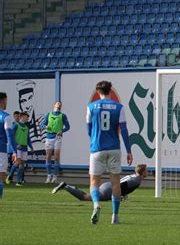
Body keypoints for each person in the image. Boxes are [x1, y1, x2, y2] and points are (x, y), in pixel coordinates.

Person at [87, 81, 133, 225]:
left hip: (97, 148)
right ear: (110, 91)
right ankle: (115, 216)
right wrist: (129, 151)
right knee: (115, 183)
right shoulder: (119, 107)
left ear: (98, 91)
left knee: (94, 182)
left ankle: (96, 205)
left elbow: (89, 129)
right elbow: (124, 131)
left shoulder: (91, 107)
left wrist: (95, 138)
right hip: (114, 148)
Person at [52, 164, 147, 201]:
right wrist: (120, 197)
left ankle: (71, 187)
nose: (148, 172)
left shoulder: (133, 176)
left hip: (107, 185)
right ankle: (66, 187)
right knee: (85, 198)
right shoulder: (136, 181)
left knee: (89, 195)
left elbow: (124, 186)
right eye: (146, 170)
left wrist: (124, 196)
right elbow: (122, 186)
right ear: (142, 172)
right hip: (109, 190)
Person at [42, 101, 70, 184]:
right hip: (49, 137)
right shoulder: (48, 114)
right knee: (48, 157)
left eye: (60, 104)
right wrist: (45, 126)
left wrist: (62, 130)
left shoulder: (63, 116)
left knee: (57, 157)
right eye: (58, 103)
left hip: (57, 137)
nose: (59, 105)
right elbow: (43, 124)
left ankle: (55, 175)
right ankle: (48, 175)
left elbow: (68, 127)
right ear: (54, 105)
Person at [9, 112, 34, 187]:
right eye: (26, 117)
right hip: (18, 148)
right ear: (22, 117)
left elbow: (28, 138)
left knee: (22, 165)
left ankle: (18, 181)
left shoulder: (26, 127)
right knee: (18, 162)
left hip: (24, 147)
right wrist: (16, 145)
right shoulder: (15, 125)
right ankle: (10, 175)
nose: (27, 119)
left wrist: (31, 146)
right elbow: (11, 136)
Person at [0, 93, 17, 198]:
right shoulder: (6, 117)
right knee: (1, 177)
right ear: (3, 101)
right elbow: (9, 136)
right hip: (1, 149)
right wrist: (15, 151)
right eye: (6, 101)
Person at [6, 111, 20, 176]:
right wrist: (15, 144)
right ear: (14, 117)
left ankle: (20, 179)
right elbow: (11, 136)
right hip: (11, 148)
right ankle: (10, 177)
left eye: (18, 116)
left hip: (19, 147)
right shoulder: (12, 125)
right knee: (12, 163)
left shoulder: (22, 125)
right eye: (16, 116)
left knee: (20, 163)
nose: (17, 118)